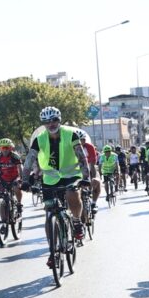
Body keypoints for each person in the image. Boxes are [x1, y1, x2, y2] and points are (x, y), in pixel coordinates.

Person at [23, 106, 93, 264]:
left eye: (54, 120)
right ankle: (53, 250)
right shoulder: (39, 138)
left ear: (59, 120)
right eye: (46, 122)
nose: (51, 124)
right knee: (49, 215)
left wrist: (86, 177)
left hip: (71, 175)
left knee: (72, 195)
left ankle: (76, 221)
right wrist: (25, 180)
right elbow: (29, 160)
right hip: (50, 179)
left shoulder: (71, 134)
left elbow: (82, 157)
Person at [0, 138, 24, 215]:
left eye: (7, 148)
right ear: (0, 148)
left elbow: (20, 168)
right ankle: (4, 220)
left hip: (14, 177)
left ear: (11, 148)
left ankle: (19, 203)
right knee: (1, 195)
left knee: (16, 187)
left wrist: (21, 178)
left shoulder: (15, 156)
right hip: (3, 178)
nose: (5, 150)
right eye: (2, 148)